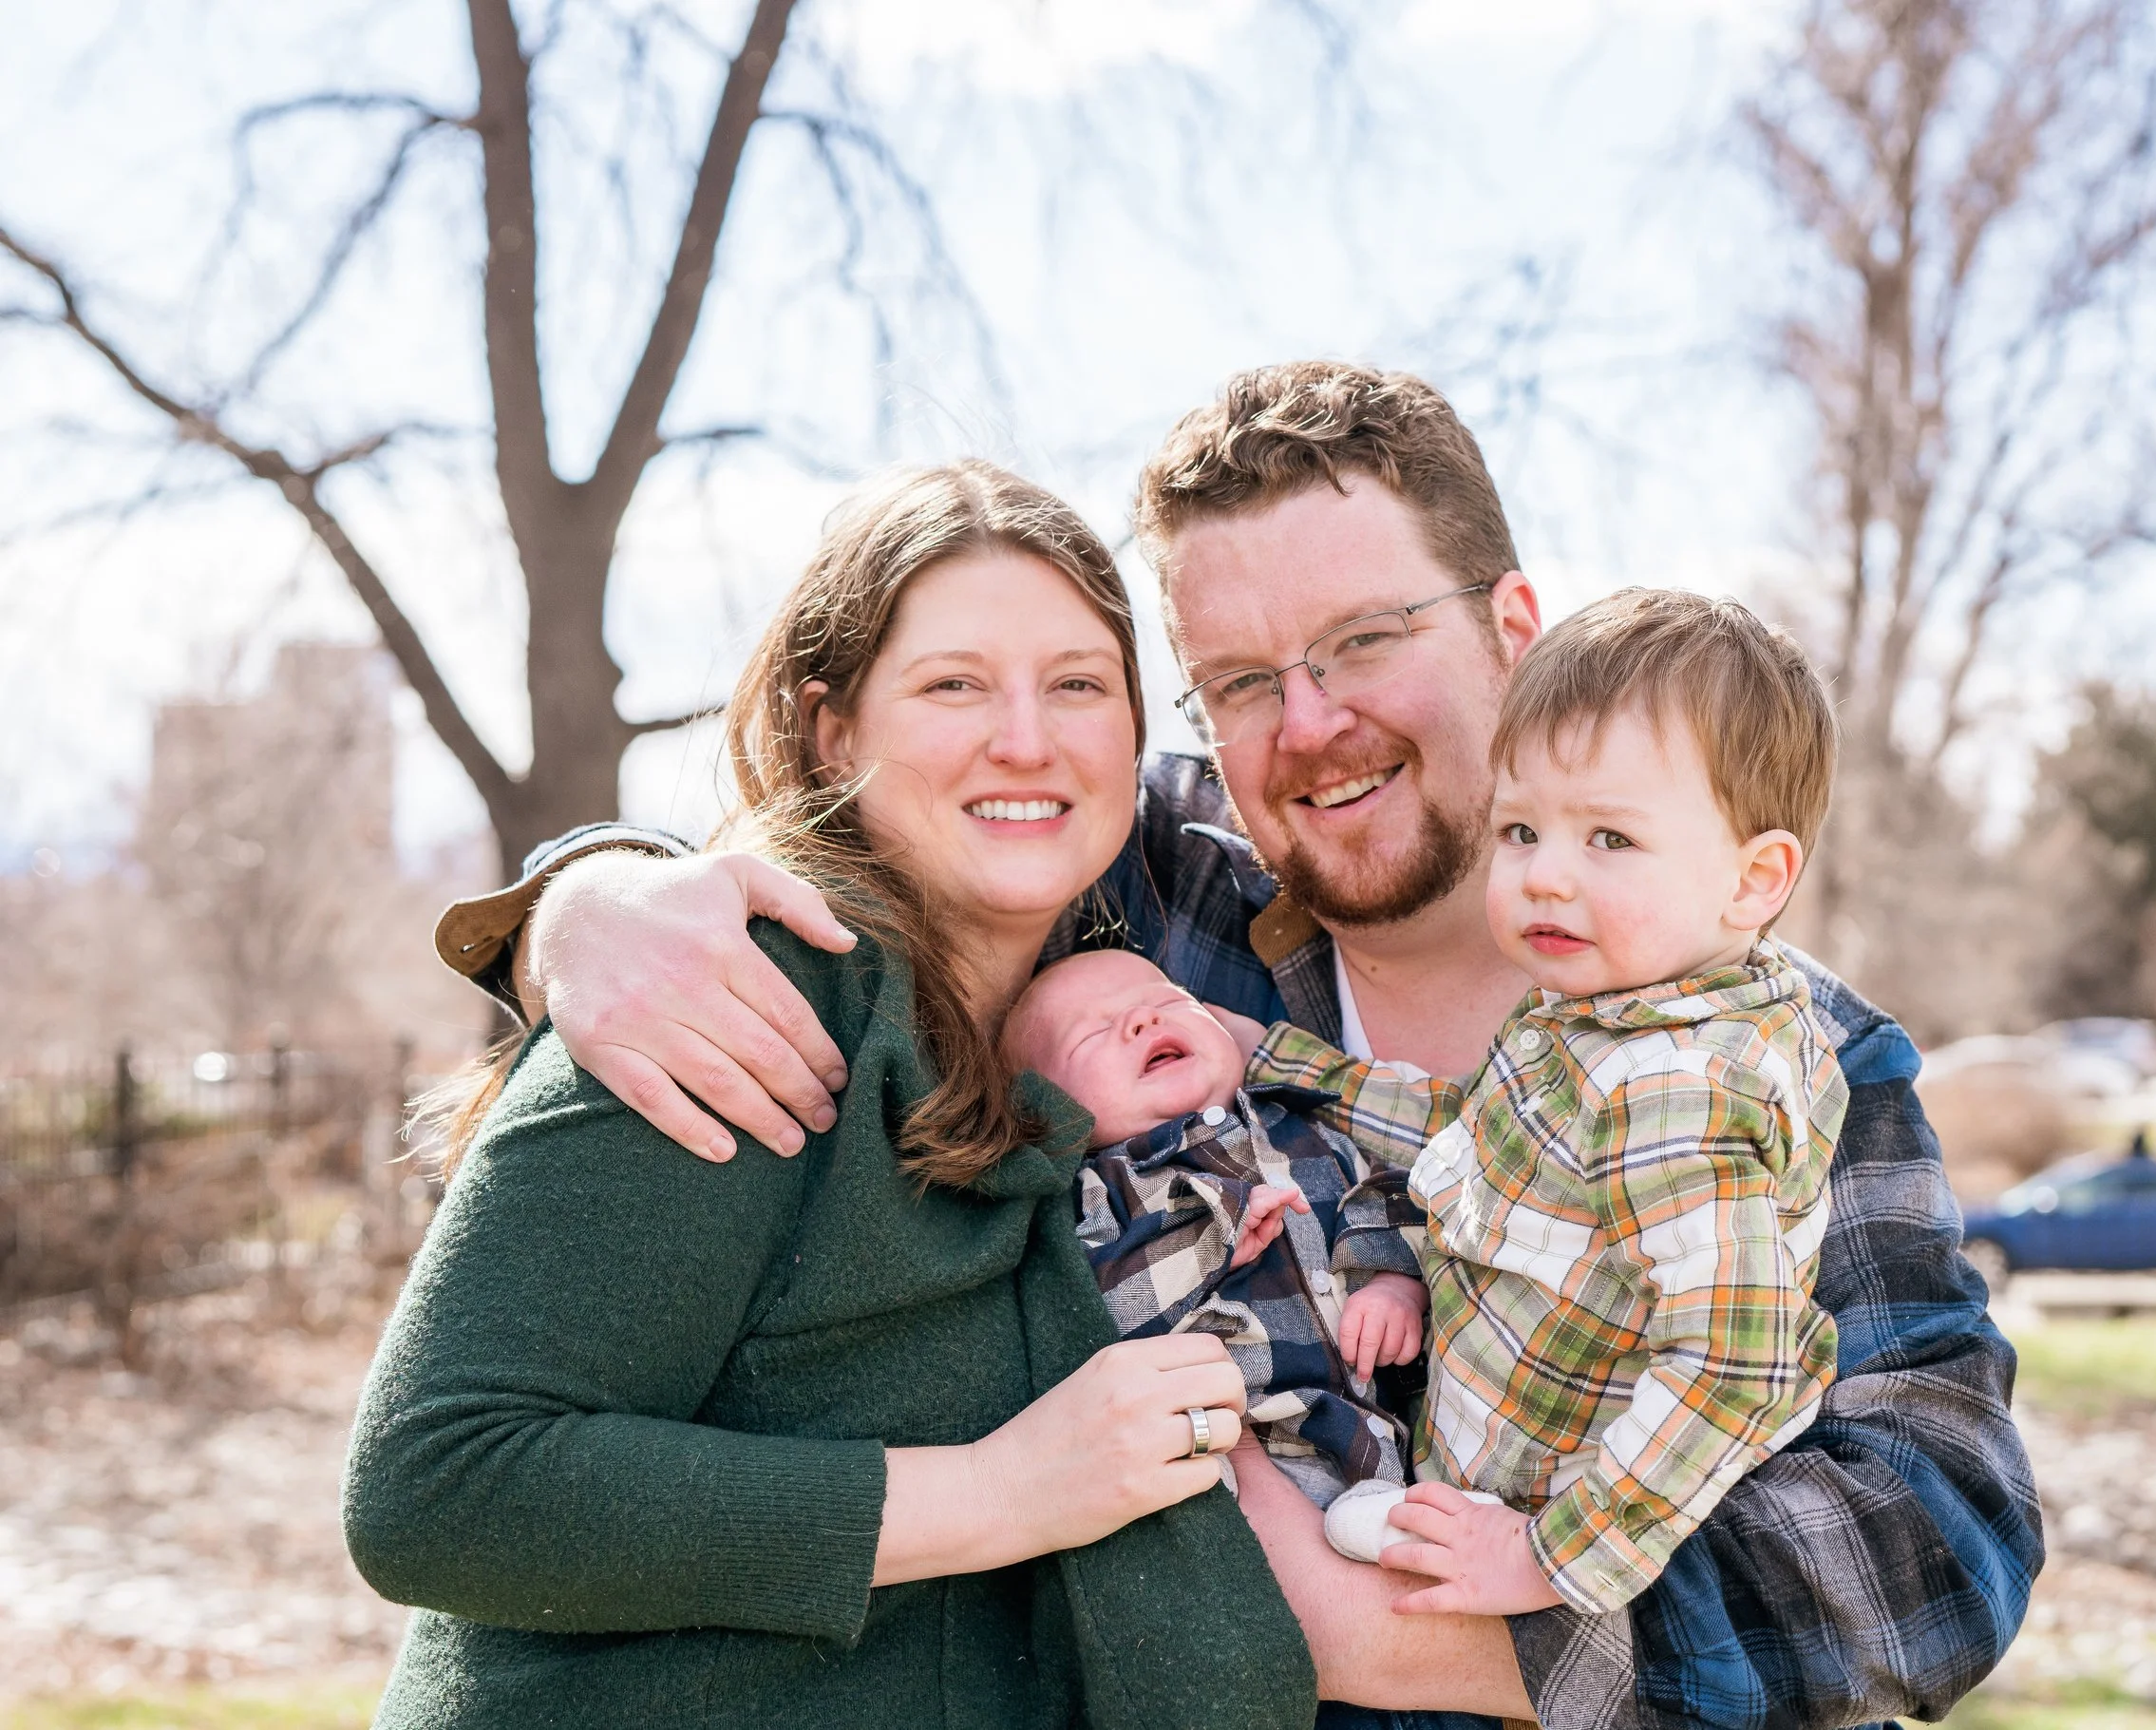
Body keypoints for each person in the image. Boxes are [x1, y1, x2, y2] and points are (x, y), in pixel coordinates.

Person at [434, 363, 2043, 1727]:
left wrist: (1430, 1639)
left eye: (1359, 642)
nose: (1310, 724)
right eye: (1240, 682)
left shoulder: (1781, 1049)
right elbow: (899, 811)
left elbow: (1947, 1531)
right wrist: (588, 893)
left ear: (1513, 626)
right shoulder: (1147, 899)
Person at [340, 463, 1336, 1728]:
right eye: (953, 684)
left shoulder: (1116, 1003)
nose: (1025, 738)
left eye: (1078, 684)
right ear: (832, 729)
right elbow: (441, 1483)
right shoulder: (740, 993)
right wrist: (999, 1492)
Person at [1248, 591, 1850, 1633]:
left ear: (1754, 880)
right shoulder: (1605, 1017)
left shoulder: (1675, 1085)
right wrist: (1274, 1060)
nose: (1544, 878)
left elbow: (1734, 1362)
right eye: (1521, 830)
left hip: (1558, 1542)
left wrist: (1549, 1558)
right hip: (1493, 1478)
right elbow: (1479, 1135)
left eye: (1610, 838)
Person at [1004, 948, 1432, 1508]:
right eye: (1094, 1033)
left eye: (1167, 1001)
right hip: (1250, 1448)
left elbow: (1394, 1199)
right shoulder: (1101, 1190)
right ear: (1047, 1115)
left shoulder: (1303, 1128)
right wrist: (1211, 1243)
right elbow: (1105, 1311)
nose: (1143, 1020)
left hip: (1390, 1432)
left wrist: (1393, 1285)